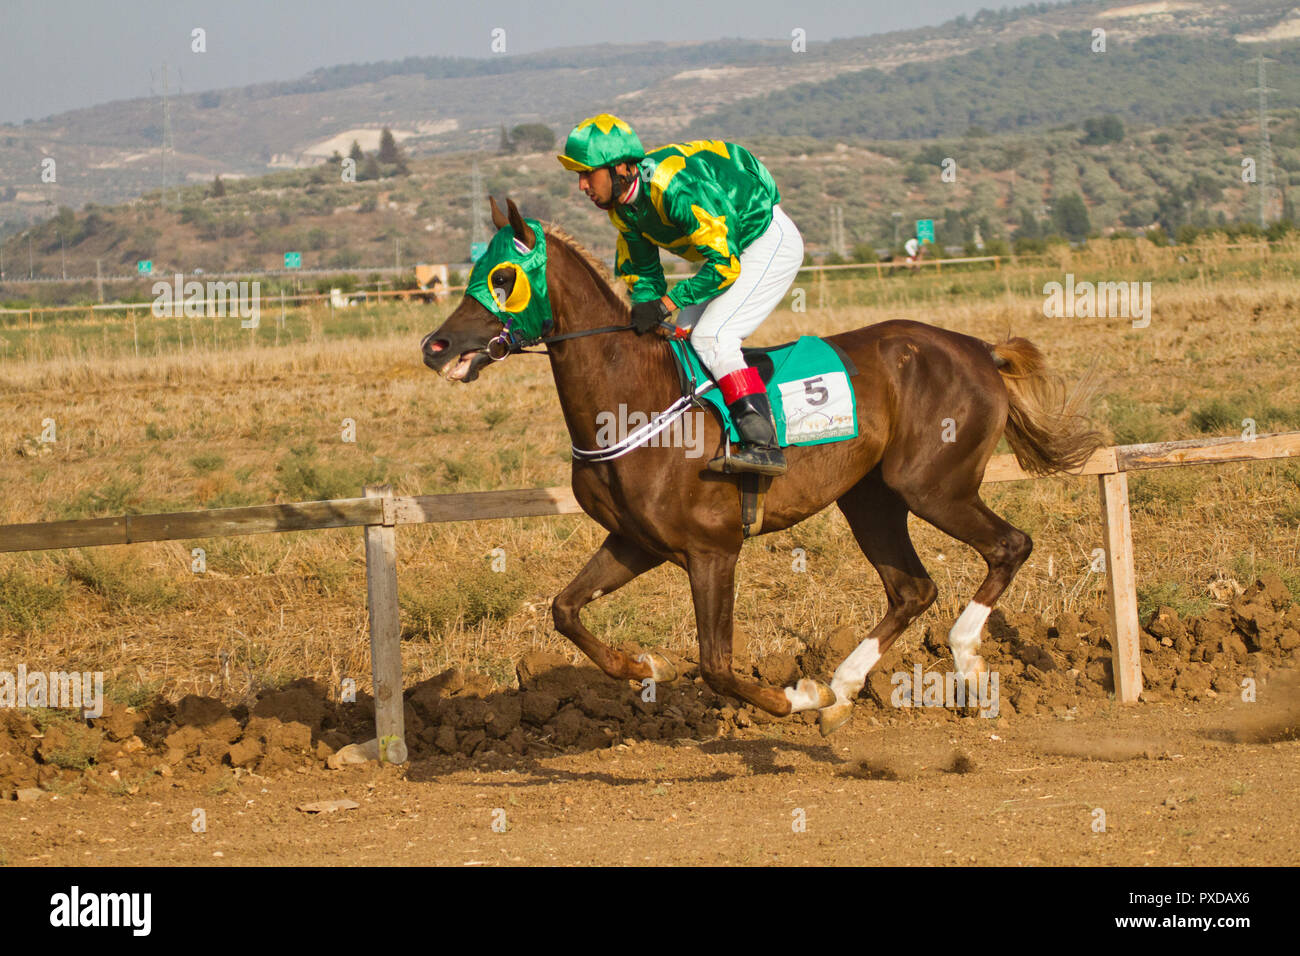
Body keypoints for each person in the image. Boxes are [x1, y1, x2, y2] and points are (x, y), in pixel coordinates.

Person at [556, 113, 803, 476]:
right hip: (729, 250)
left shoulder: (675, 190)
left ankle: (762, 444)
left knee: (714, 338)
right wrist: (645, 305)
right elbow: (644, 271)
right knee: (683, 342)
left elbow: (724, 265)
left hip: (766, 240)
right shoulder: (624, 210)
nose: (581, 186)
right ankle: (705, 436)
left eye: (587, 173)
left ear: (621, 168)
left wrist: (668, 303)